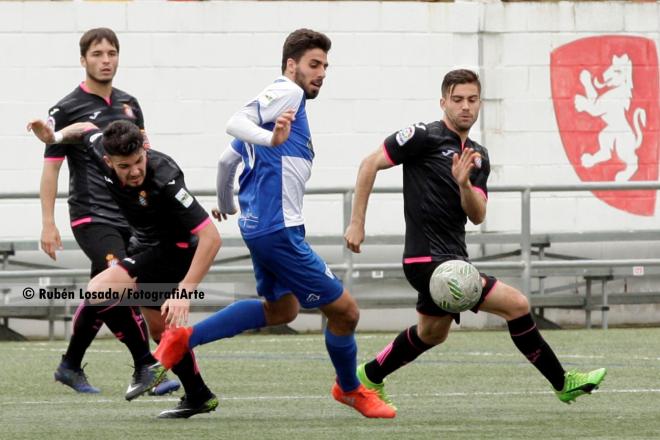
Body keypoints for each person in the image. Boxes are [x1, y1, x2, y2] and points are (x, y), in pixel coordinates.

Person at [153, 28, 395, 419]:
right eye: (314, 64)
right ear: (291, 65)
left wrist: (228, 203)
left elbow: (226, 162)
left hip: (262, 227)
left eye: (325, 66)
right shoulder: (287, 93)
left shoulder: (278, 112)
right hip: (278, 229)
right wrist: (272, 142)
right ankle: (350, 389)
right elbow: (234, 122)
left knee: (281, 309)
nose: (321, 73)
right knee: (347, 312)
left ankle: (183, 338)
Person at [343, 69, 607, 413]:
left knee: (432, 334)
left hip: (454, 259)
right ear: (443, 102)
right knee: (517, 305)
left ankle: (368, 376)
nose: (465, 107)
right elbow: (369, 164)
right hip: (426, 261)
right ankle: (563, 383)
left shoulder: (478, 155)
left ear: (480, 103)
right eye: (457, 100)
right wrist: (357, 223)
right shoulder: (423, 136)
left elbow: (478, 214)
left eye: (472, 99)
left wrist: (464, 184)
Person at [28, 119, 221, 418]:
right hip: (145, 247)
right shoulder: (100, 151)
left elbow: (211, 237)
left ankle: (143, 365)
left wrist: (185, 290)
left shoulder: (166, 179)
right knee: (162, 330)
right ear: (108, 161)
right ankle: (199, 395)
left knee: (99, 289)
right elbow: (86, 127)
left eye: (138, 161)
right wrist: (55, 136)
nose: (134, 171)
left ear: (145, 149)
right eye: (124, 166)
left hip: (176, 251)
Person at [43, 27, 179, 396]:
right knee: (122, 285)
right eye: (98, 54)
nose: (106, 60)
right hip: (90, 216)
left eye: (112, 53)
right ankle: (144, 365)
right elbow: (51, 169)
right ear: (83, 59)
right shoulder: (65, 107)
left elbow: (145, 159)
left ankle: (70, 365)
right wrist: (48, 224)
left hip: (128, 218)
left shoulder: (130, 104)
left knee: (101, 291)